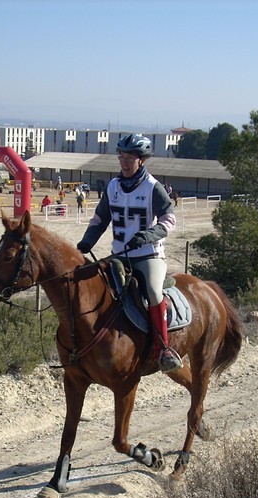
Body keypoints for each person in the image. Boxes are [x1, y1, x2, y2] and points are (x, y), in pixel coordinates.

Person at [76, 133, 183, 373]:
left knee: (153, 291)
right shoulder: (113, 186)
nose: (124, 162)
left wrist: (149, 235)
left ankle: (164, 349)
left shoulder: (153, 187)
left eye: (130, 158)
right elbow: (100, 218)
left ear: (141, 160)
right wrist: (87, 242)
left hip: (149, 256)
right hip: (119, 256)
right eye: (121, 157)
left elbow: (169, 219)